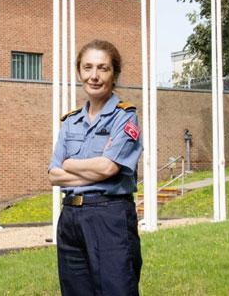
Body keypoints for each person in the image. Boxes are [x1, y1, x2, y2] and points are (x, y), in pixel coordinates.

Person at [48, 39, 144, 296]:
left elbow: (108, 168)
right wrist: (92, 170)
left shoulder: (125, 117)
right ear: (79, 71)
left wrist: (71, 164)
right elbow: (54, 175)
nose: (94, 76)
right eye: (88, 67)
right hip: (70, 219)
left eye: (103, 68)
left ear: (115, 75)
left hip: (109, 216)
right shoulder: (71, 122)